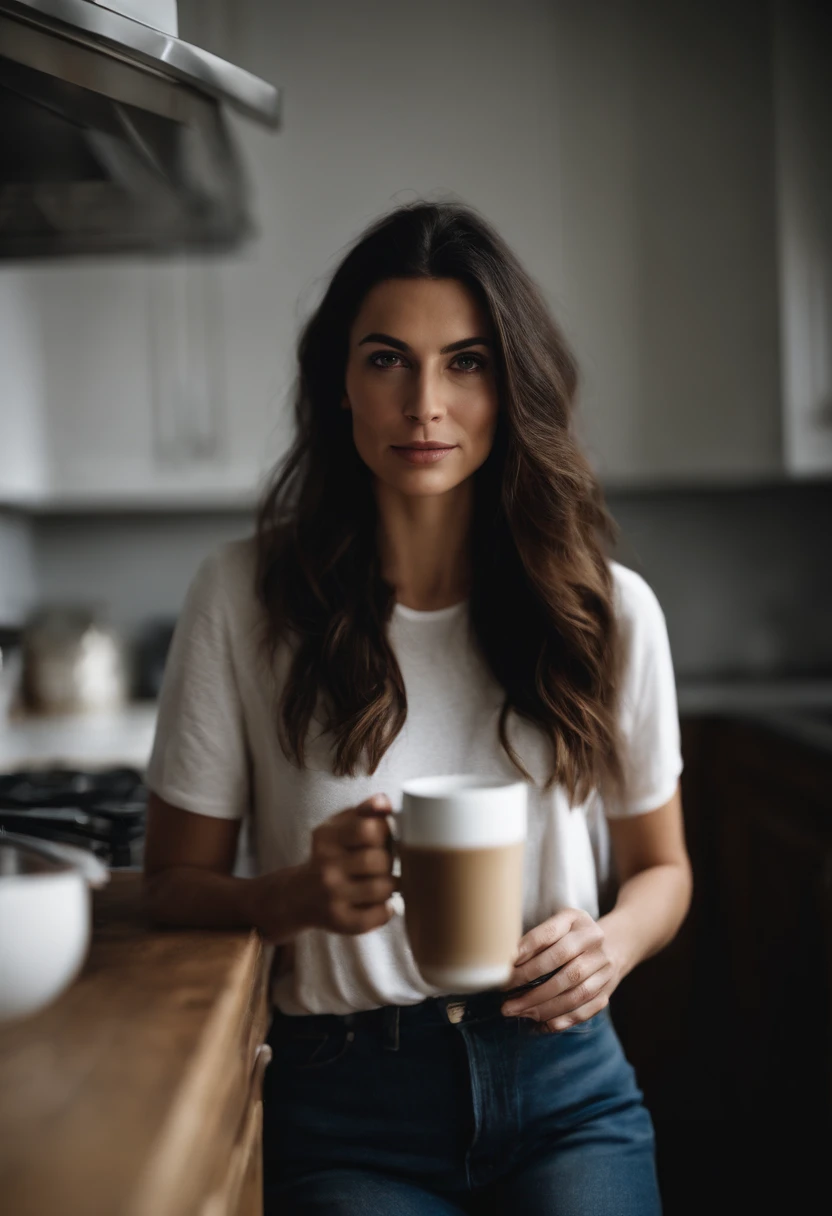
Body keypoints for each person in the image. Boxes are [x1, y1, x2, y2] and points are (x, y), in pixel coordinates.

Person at [142, 200, 692, 1216]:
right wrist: (290, 895)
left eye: (467, 362)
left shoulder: (607, 611)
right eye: (388, 359)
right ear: (339, 385)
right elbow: (172, 883)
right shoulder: (240, 598)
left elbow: (662, 868)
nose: (424, 403)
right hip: (345, 1100)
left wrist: (612, 942)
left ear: (510, 383)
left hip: (565, 1083)